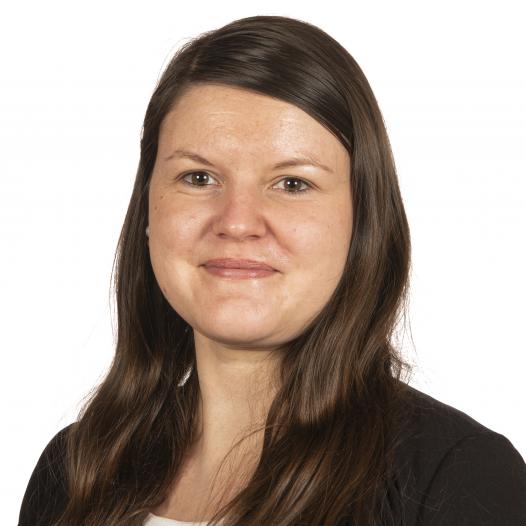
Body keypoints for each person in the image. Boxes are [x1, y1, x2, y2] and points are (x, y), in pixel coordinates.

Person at [18, 14, 526, 526]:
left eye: (292, 184)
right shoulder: (73, 473)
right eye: (198, 177)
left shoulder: (459, 477)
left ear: (364, 222)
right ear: (148, 212)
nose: (237, 222)